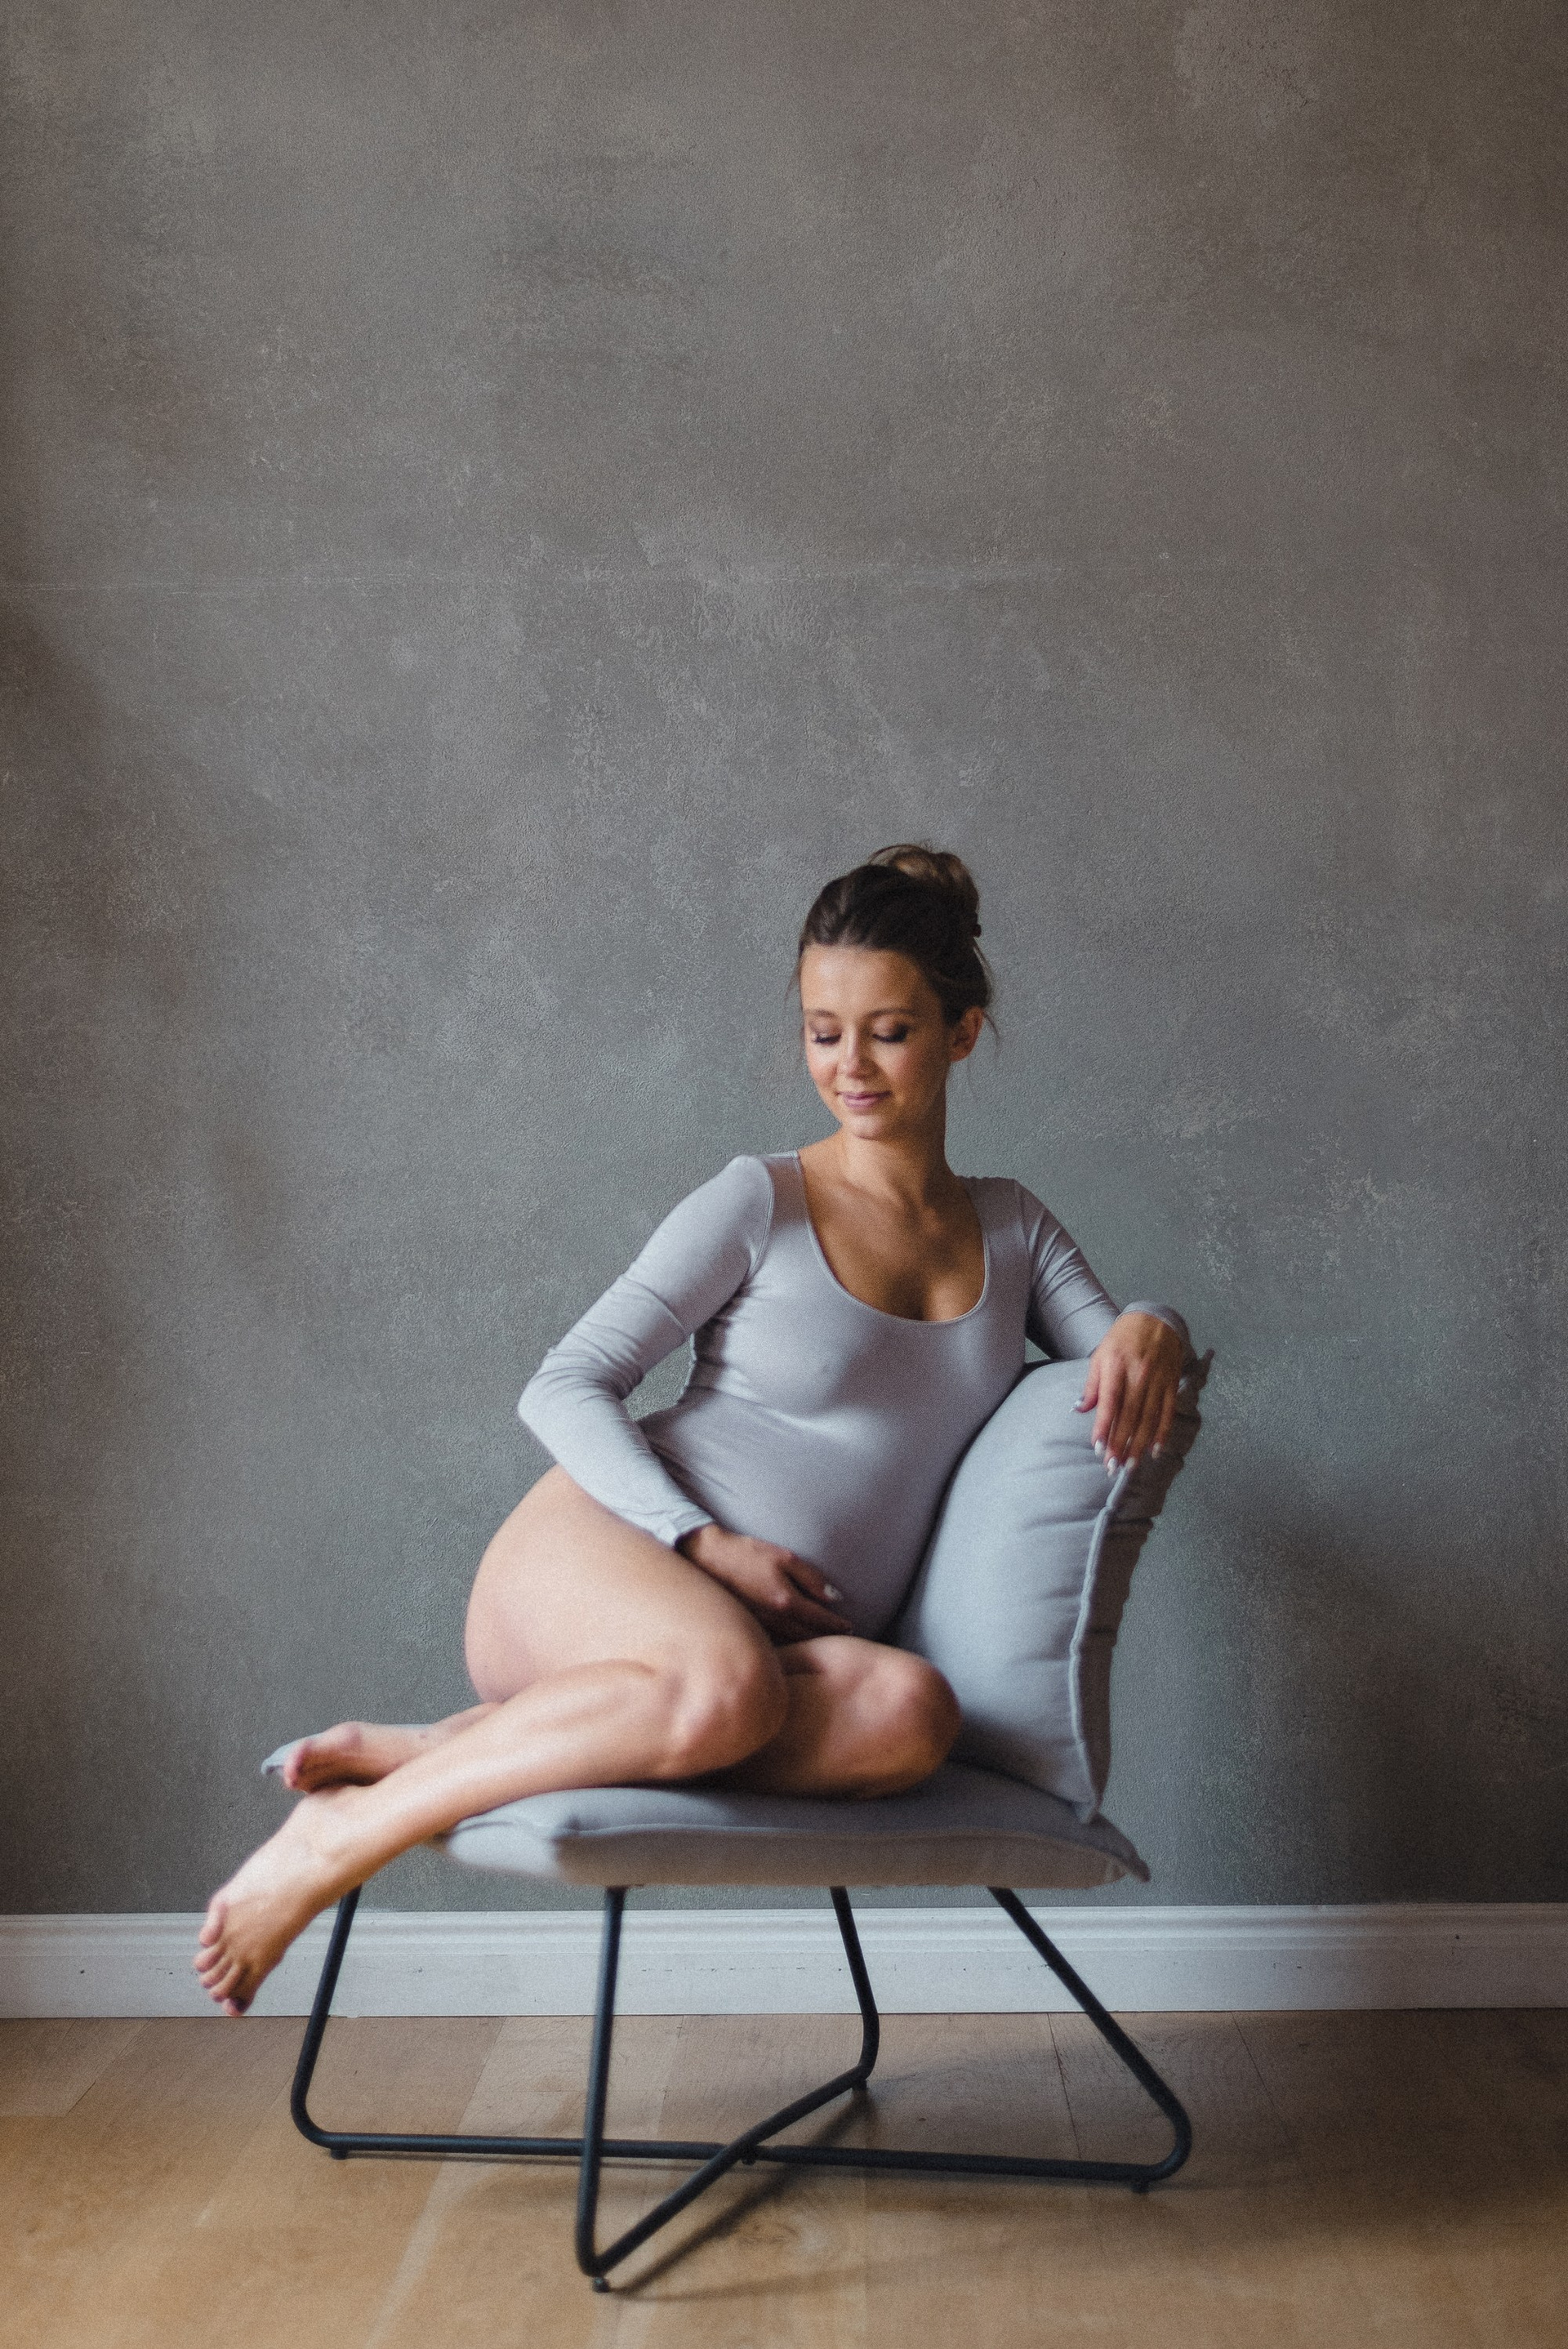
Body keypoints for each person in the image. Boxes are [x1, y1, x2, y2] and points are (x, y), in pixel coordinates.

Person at [194, 846, 1187, 2014]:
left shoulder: (1014, 1230)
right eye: (823, 1032)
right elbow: (565, 1383)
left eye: (889, 1032)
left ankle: (441, 1746)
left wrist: (1156, 1325)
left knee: (911, 1715)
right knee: (724, 1687)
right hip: (605, 1555)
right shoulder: (759, 1200)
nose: (850, 1067)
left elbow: (1116, 1350)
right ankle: (346, 1836)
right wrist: (702, 1543)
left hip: (759, 1653)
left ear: (962, 1033)